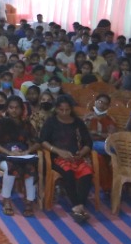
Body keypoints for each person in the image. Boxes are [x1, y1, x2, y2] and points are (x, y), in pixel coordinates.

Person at [38, 95, 94, 224]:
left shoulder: (78, 123)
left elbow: (88, 143)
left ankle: (79, 206)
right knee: (68, 173)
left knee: (87, 173)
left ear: (71, 109)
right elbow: (43, 141)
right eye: (61, 110)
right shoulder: (51, 122)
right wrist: (59, 151)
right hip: (57, 157)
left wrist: (81, 153)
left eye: (67, 110)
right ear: (56, 109)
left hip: (76, 157)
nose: (64, 113)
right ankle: (77, 206)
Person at [0, 96, 39, 217]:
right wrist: (8, 152)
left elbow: (38, 142)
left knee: (31, 168)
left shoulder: (26, 124)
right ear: (7, 108)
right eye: (11, 107)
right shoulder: (0, 123)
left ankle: (29, 202)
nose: (14, 110)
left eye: (17, 108)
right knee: (10, 167)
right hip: (4, 155)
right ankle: (6, 200)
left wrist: (28, 151)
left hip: (22, 155)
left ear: (22, 109)